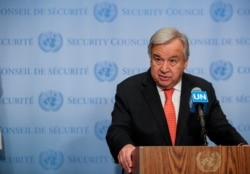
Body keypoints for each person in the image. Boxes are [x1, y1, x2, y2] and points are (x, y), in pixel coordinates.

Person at [106, 27, 248, 174]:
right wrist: (125, 146)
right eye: (158, 59)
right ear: (150, 59)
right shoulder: (129, 90)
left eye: (173, 61)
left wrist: (242, 147)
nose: (164, 68)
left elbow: (220, 128)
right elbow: (118, 129)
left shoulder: (201, 89)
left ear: (185, 62)